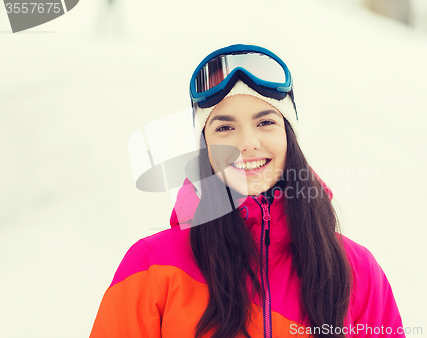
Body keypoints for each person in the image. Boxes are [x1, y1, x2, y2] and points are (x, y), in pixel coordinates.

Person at [89, 44, 405, 338]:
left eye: (265, 122)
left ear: (288, 137)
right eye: (225, 128)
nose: (247, 143)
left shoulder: (357, 271)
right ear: (206, 147)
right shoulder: (150, 266)